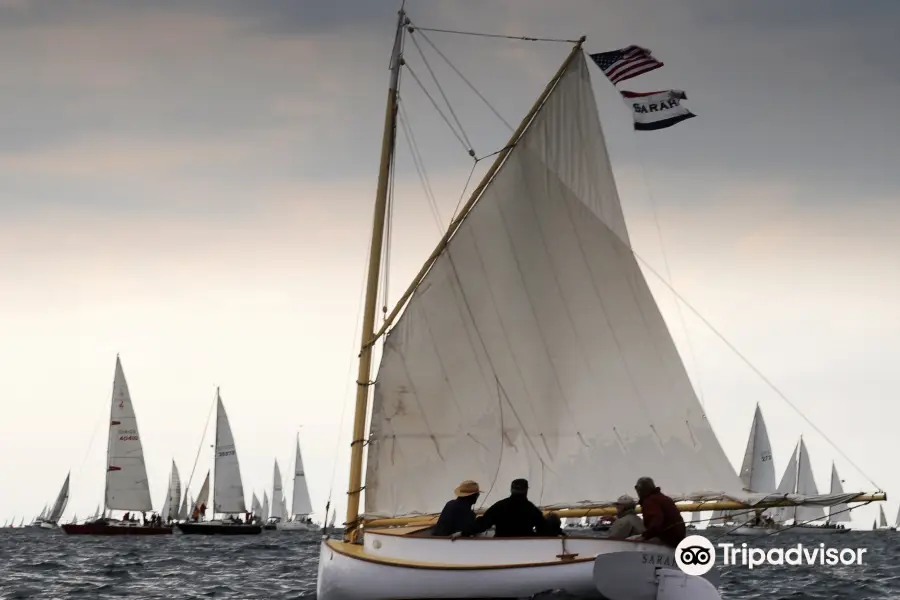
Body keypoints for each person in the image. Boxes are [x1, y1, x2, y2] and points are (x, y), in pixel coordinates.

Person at [454, 478, 555, 539]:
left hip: (501, 545)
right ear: (526, 490)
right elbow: (544, 531)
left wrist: (462, 533)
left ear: (511, 490)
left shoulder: (499, 506)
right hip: (525, 547)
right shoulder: (532, 510)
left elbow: (483, 524)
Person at [628, 477, 685, 548]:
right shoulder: (664, 498)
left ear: (640, 489)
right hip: (677, 538)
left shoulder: (650, 501)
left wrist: (645, 536)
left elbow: (656, 520)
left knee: (629, 541)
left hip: (667, 539)